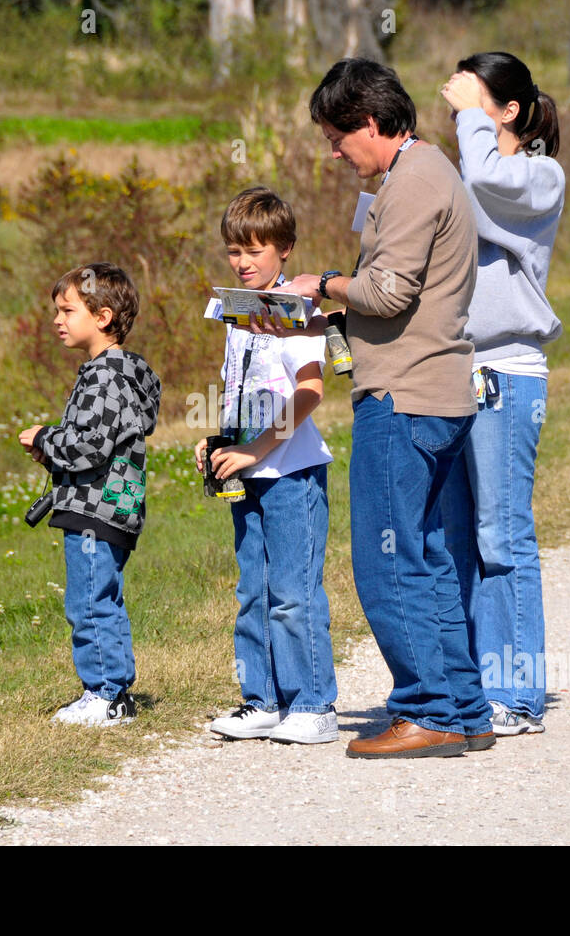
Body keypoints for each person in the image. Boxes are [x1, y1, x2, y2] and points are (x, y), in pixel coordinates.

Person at [271, 58, 495, 759]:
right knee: (428, 557)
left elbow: (390, 291)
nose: (335, 153)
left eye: (339, 138)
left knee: (387, 556)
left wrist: (325, 282)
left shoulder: (411, 183)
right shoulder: (430, 172)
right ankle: (462, 706)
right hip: (436, 391)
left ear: (370, 122)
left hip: (403, 396)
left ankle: (425, 708)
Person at [438, 52, 565, 735]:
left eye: (475, 99)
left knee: (502, 534)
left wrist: (464, 119)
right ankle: (471, 688)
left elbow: (485, 182)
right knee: (459, 537)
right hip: (453, 370)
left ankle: (516, 695)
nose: (458, 106)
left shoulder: (539, 177)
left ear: (509, 111)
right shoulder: (473, 173)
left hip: (509, 373)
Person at [195, 187, 339, 744]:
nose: (243, 262)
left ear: (286, 251)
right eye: (234, 251)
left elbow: (309, 391)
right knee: (253, 591)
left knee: (293, 591)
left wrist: (259, 449)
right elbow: (241, 388)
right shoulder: (235, 313)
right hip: (246, 470)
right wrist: (222, 444)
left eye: (256, 250)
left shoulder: (298, 313)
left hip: (292, 473)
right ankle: (263, 699)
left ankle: (314, 703)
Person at [19, 262, 161, 727]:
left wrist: (44, 439)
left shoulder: (103, 376)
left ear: (102, 317)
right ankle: (114, 692)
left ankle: (104, 694)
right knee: (104, 597)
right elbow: (101, 442)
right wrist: (55, 454)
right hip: (113, 505)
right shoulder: (122, 375)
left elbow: (86, 447)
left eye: (67, 310)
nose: (57, 320)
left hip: (95, 507)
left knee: (88, 602)